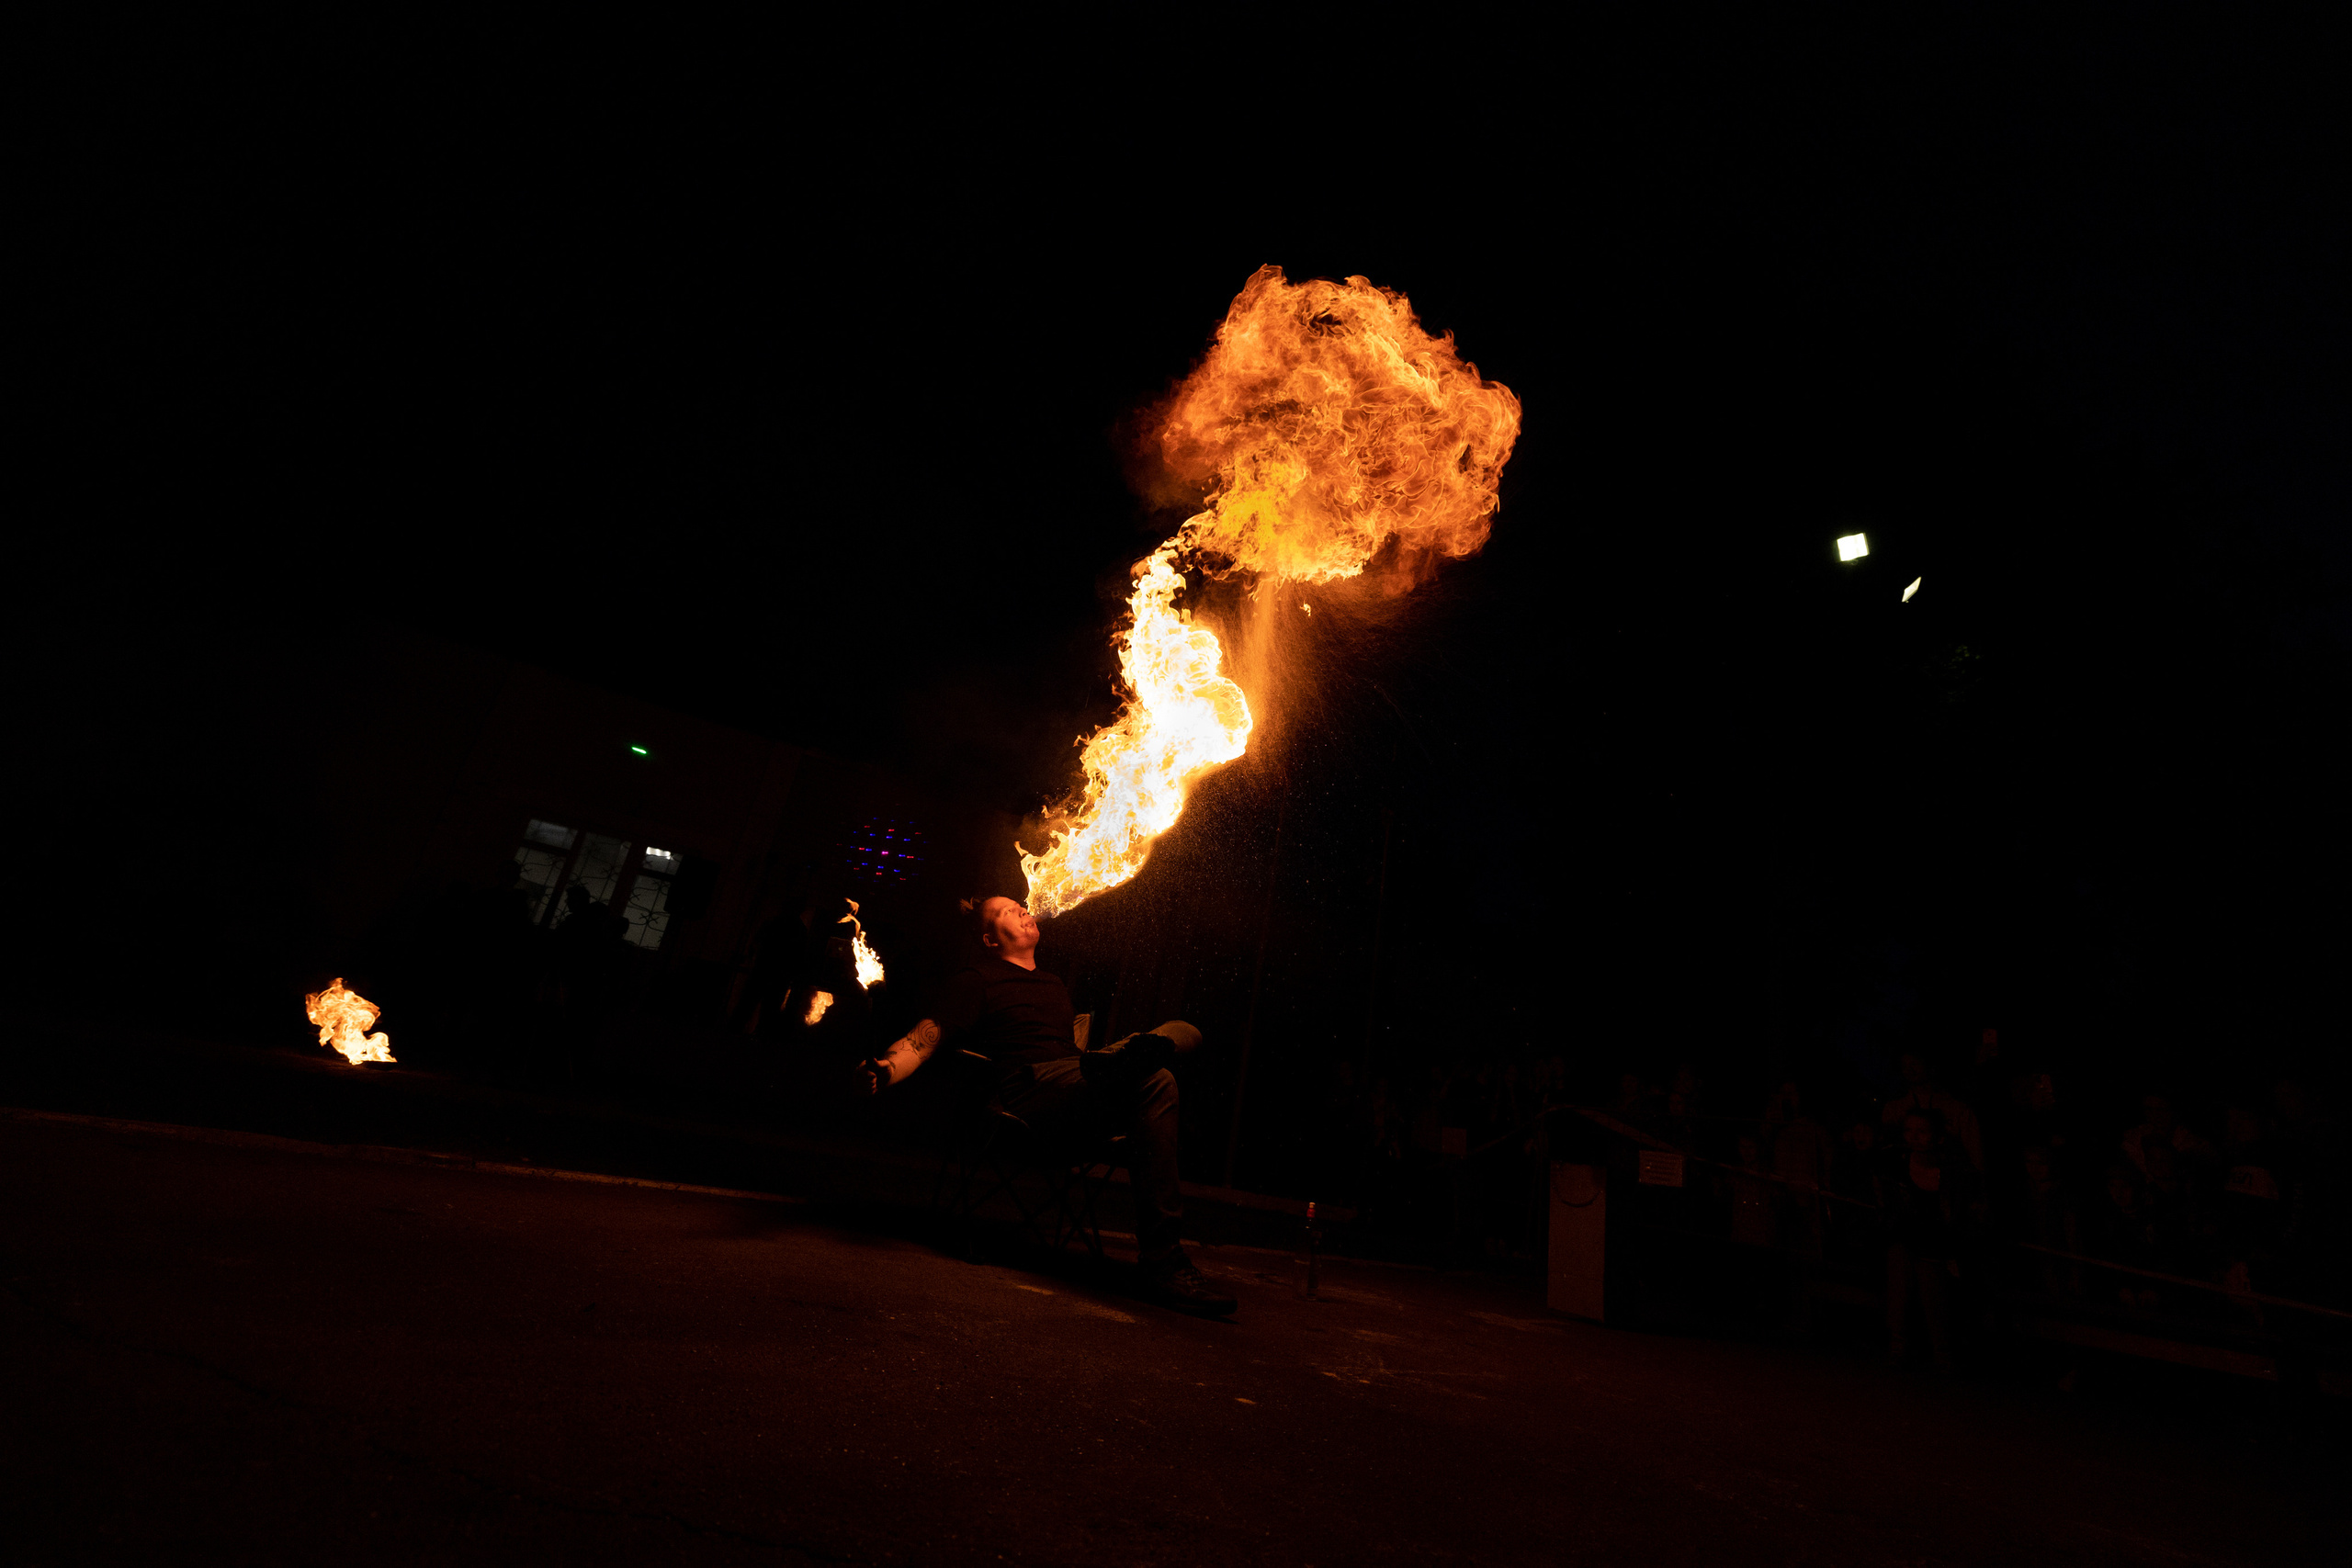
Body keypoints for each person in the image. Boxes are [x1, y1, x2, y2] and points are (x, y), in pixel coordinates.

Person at [864, 894, 1236, 1317]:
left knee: (1182, 1034)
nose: (1023, 910)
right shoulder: (977, 979)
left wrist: (1091, 1068)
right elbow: (921, 1040)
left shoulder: (1053, 984)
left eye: (1020, 905)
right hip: (1026, 1095)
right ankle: (1164, 1262)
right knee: (1154, 1076)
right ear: (989, 940)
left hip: (1078, 1086)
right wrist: (888, 1068)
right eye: (1007, 911)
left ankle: (1119, 1063)